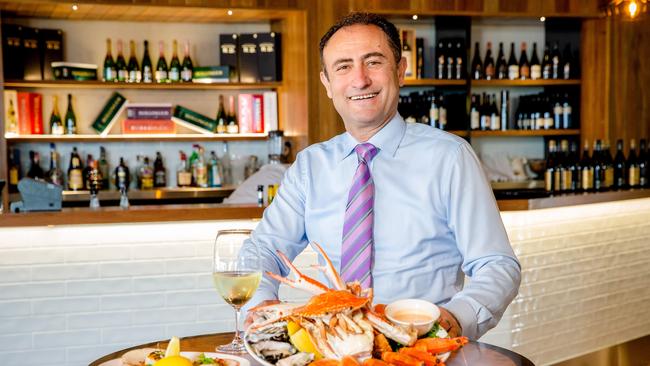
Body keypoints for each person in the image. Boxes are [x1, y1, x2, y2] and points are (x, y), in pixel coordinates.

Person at [240, 12, 521, 340]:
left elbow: (497, 264)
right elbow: (265, 248)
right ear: (327, 84)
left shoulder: (450, 158)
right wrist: (260, 306)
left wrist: (456, 318)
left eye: (373, 62)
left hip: (423, 349)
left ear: (400, 71)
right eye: (343, 66)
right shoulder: (309, 167)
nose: (359, 80)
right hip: (335, 349)